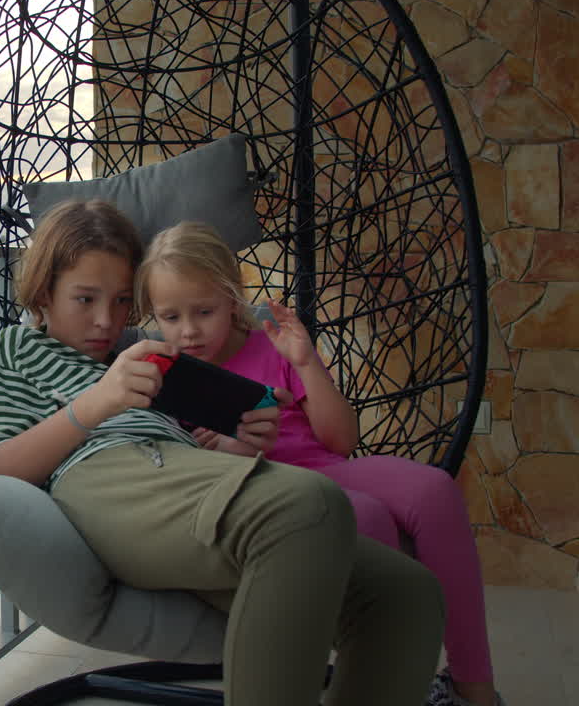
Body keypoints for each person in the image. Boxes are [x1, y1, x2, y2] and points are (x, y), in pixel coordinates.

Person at [0, 198, 443, 706]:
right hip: (104, 477)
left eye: (122, 301)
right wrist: (94, 406)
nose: (106, 320)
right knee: (310, 503)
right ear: (44, 290)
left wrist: (239, 446)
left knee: (406, 596)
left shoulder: (141, 362)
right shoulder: (21, 347)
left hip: (180, 478)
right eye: (85, 299)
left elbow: (187, 470)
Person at [135, 221, 505, 706]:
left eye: (204, 311)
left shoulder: (271, 346)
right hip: (263, 490)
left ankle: (471, 689)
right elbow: (177, 473)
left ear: (232, 298)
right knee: (362, 513)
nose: (188, 330)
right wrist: (228, 451)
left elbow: (341, 441)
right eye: (170, 316)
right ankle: (387, 680)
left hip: (319, 464)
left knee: (435, 490)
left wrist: (307, 361)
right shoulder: (165, 378)